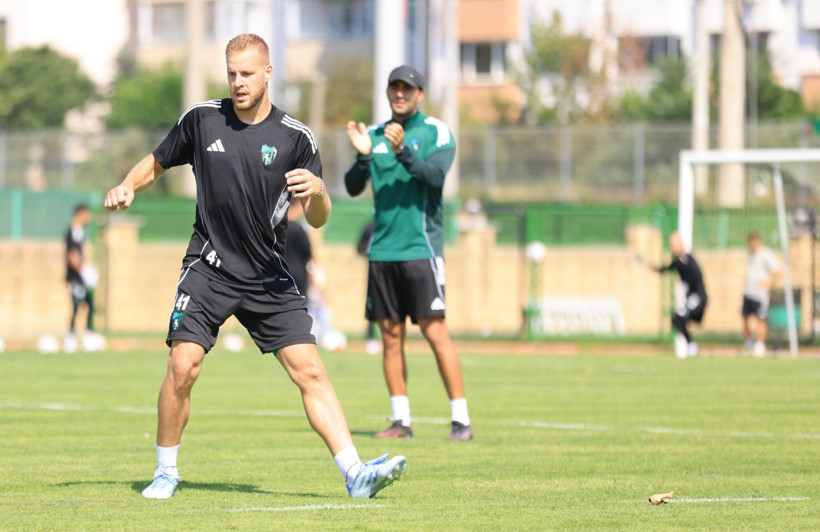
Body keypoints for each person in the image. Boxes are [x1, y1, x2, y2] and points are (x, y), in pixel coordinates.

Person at [104, 33, 405, 500]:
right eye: (231, 74)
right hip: (209, 267)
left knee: (311, 370)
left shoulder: (296, 138)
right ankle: (165, 472)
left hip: (268, 274)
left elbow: (320, 220)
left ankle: (355, 473)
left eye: (247, 73)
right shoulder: (203, 120)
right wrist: (127, 185)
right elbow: (157, 162)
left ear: (268, 73)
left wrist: (318, 192)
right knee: (183, 366)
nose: (238, 83)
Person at [344, 65, 473, 441]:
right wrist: (364, 157)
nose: (400, 93)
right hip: (382, 250)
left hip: (421, 249)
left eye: (408, 88)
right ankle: (401, 421)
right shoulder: (373, 134)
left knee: (434, 331)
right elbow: (353, 187)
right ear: (388, 92)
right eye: (394, 87)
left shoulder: (436, 131)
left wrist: (402, 151)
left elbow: (435, 178)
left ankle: (460, 420)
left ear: (420, 95)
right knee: (390, 335)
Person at [649, 231, 708, 357]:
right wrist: (650, 266)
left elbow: (695, 278)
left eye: (675, 245)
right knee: (675, 319)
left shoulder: (687, 260)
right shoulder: (679, 262)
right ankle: (691, 346)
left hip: (698, 298)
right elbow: (664, 269)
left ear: (681, 244)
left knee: (678, 317)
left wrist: (686, 294)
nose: (673, 248)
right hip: (691, 299)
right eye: (672, 245)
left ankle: (691, 346)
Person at [64, 204, 103, 353]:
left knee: (89, 305)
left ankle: (88, 335)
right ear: (80, 214)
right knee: (76, 307)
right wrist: (84, 272)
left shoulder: (79, 232)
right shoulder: (72, 232)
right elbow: (72, 256)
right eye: (87, 214)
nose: (89, 218)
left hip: (81, 277)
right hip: (76, 278)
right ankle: (71, 339)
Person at [742, 232, 781, 357]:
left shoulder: (766, 254)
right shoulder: (751, 255)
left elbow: (777, 271)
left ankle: (760, 345)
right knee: (745, 318)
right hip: (748, 293)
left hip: (760, 295)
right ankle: (748, 343)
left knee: (760, 319)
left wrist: (769, 284)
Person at [356, 221, 380, 355]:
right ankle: (371, 338)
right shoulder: (370, 227)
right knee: (372, 304)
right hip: (375, 271)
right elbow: (359, 248)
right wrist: (370, 253)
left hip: (395, 269)